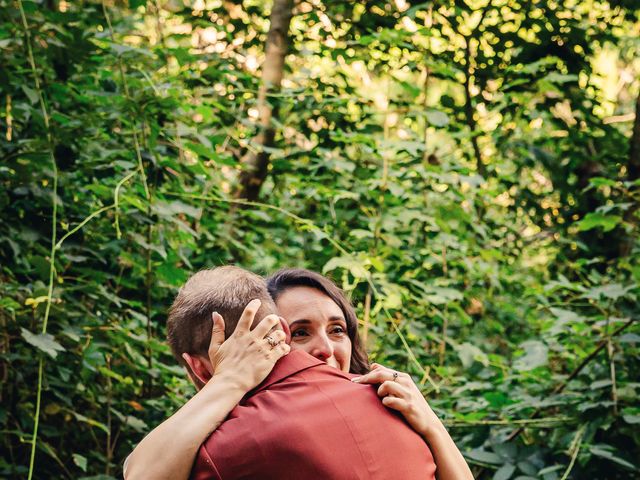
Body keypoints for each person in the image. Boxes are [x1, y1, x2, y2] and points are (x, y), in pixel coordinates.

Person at [124, 267, 473, 480]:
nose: (325, 348)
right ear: (278, 336)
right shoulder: (391, 414)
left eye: (338, 330)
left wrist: (430, 422)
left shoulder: (227, 449)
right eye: (302, 332)